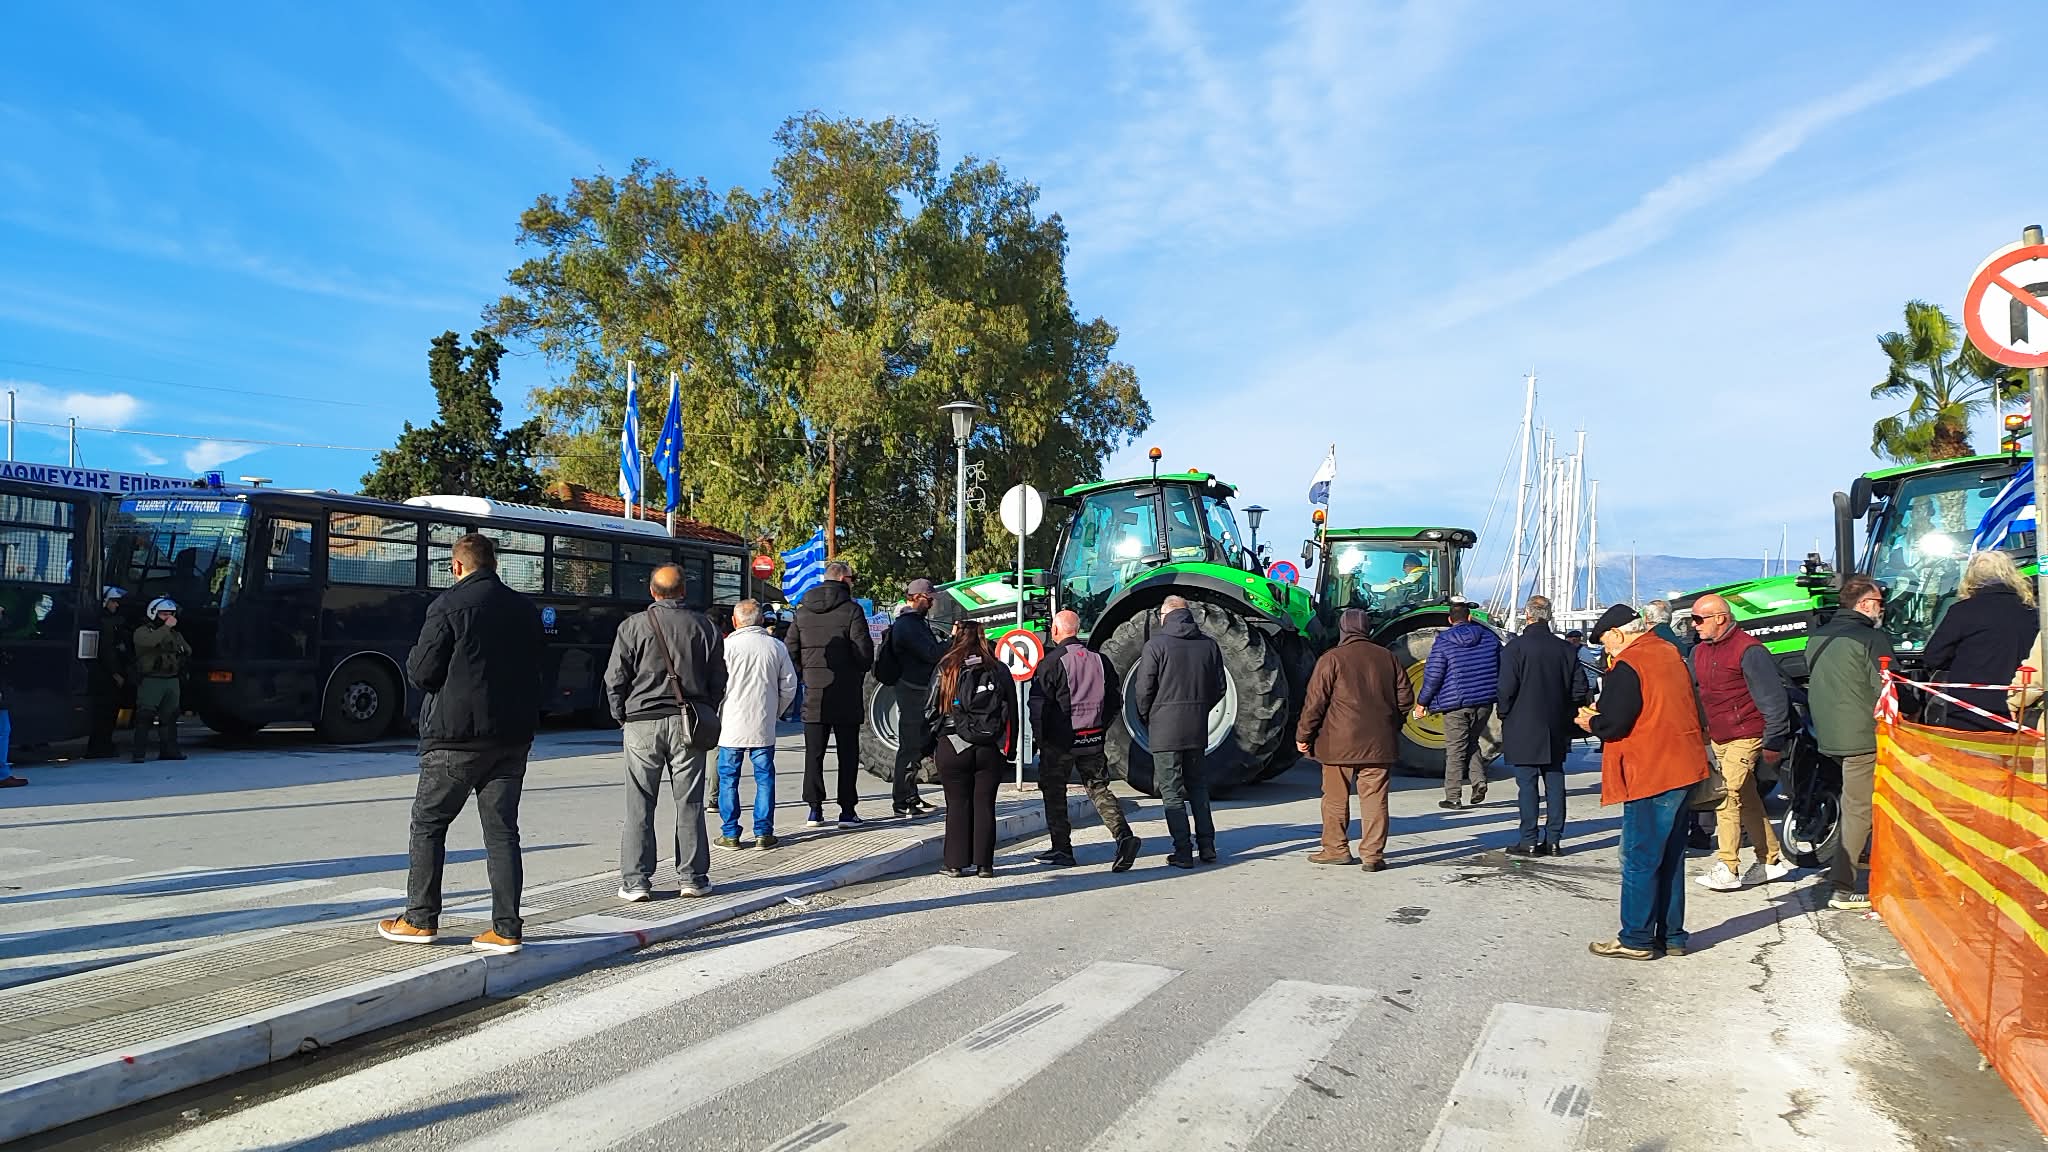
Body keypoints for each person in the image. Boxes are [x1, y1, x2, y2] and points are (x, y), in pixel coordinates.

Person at [379, 533, 545, 955]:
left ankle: (420, 918)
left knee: (429, 825)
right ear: (495, 564)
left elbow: (421, 671)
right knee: (503, 833)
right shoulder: (524, 610)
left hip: (455, 738)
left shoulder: (448, 606)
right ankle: (506, 928)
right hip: (510, 739)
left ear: (456, 567)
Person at [1579, 604, 1710, 960]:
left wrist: (1590, 722)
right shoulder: (1670, 653)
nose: (1606, 650)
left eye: (1606, 642)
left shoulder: (1629, 665)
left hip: (1650, 769)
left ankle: (1636, 937)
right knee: (1670, 855)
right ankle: (1672, 936)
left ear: (1619, 634)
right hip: (1683, 766)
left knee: (1639, 855)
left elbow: (1615, 723)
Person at [605, 563, 727, 900]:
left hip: (642, 721)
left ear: (653, 592)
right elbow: (719, 677)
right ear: (683, 591)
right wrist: (706, 708)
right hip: (689, 721)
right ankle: (693, 878)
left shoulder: (633, 626)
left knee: (639, 804)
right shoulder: (705, 626)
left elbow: (615, 678)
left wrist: (622, 716)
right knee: (689, 801)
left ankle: (636, 882)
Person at [1687, 592, 1792, 891]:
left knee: (1726, 795)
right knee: (1746, 798)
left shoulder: (1749, 650)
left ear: (1721, 618)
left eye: (1698, 619)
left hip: (1747, 734)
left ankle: (1728, 866)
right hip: (1719, 734)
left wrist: (1773, 741)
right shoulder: (1700, 652)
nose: (1694, 625)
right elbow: (1695, 692)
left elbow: (1773, 699)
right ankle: (1770, 859)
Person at [1299, 607, 1412, 870]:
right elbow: (1405, 699)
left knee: (1335, 798)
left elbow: (1315, 703)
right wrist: (1391, 725)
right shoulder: (1388, 658)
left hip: (1338, 743)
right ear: (1367, 629)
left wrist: (1303, 735)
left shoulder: (1332, 658)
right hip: (1379, 743)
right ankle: (1373, 856)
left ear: (1343, 629)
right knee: (1375, 799)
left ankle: (1336, 849)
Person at [1030, 610, 1141, 871]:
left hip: (1060, 743)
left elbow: (1038, 706)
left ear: (1056, 631)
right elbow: (1116, 700)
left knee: (1055, 794)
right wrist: (1100, 727)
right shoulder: (1101, 660)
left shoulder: (1051, 662)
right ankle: (1124, 837)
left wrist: (1041, 739)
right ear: (1077, 630)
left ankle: (1062, 849)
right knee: (1099, 789)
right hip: (1092, 738)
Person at [1806, 575, 1892, 912]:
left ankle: (1860, 859)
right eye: (1880, 604)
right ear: (1866, 604)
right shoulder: (1871, 638)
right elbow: (1885, 688)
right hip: (1862, 736)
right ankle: (1842, 887)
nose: (1882, 610)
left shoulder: (1816, 638)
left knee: (1853, 803)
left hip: (1828, 736)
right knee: (1859, 809)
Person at [1130, 596, 1226, 869]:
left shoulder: (1156, 646)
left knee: (1172, 793)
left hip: (1164, 730)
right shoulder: (1209, 645)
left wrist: (1150, 715)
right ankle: (1207, 847)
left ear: (1165, 615)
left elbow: (1143, 689)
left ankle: (1183, 852)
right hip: (1196, 729)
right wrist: (1200, 709)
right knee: (1198, 787)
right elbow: (1219, 688)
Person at [1496, 595, 1587, 856]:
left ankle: (1529, 839)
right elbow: (1580, 688)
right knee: (1555, 780)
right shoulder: (1566, 650)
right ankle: (1555, 839)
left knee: (1527, 784)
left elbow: (1505, 689)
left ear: (1528, 615)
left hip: (1522, 722)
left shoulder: (1515, 649)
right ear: (1549, 615)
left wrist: (1504, 713)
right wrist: (1567, 710)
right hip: (1556, 722)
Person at [785, 561, 875, 828]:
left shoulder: (802, 612)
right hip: (846, 692)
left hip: (815, 692)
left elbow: (790, 650)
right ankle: (847, 811)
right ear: (843, 579)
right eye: (853, 577)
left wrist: (807, 673)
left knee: (814, 753)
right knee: (847, 754)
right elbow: (864, 654)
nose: (854, 582)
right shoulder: (852, 610)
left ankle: (814, 809)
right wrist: (855, 669)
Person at [923, 621, 1013, 877]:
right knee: (985, 804)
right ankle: (984, 864)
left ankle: (955, 863)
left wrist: (931, 744)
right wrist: (1010, 747)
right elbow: (1013, 712)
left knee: (957, 804)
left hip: (953, 744)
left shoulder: (947, 667)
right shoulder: (998, 669)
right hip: (989, 745)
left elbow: (929, 709)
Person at [1922, 550, 2040, 730]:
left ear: (1971, 576)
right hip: (2022, 709)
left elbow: (1933, 657)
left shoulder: (1962, 611)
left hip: (1969, 712)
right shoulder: (2033, 613)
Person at [716, 599, 796, 851]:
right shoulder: (776, 647)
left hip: (730, 724)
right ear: (761, 620)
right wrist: (775, 711)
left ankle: (730, 834)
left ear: (735, 621)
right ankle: (763, 832)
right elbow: (789, 686)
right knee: (764, 778)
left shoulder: (725, 647)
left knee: (728, 778)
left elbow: (715, 685)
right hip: (762, 724)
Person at [1415, 601, 1499, 809]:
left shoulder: (1443, 641)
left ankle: (1453, 796)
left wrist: (1422, 702)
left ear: (1450, 620)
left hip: (1456, 704)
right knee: (1472, 741)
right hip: (1484, 701)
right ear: (1470, 617)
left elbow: (1434, 676)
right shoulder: (1489, 638)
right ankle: (1479, 782)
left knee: (1455, 748)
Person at [886, 578, 947, 818]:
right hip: (912, 690)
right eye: (929, 599)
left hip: (916, 689)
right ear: (918, 598)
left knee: (919, 743)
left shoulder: (915, 623)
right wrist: (952, 642)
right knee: (910, 746)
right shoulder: (908, 625)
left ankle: (911, 795)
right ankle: (902, 800)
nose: (932, 604)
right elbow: (930, 654)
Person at [130, 597, 191, 763]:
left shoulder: (174, 634)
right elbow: (150, 642)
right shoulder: (143, 631)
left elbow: (187, 650)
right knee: (145, 716)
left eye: (171, 614)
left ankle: (170, 751)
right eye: (164, 614)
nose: (168, 618)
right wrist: (166, 628)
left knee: (170, 717)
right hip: (151, 680)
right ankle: (139, 753)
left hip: (171, 680)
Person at [84, 586, 133, 758]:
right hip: (106, 676)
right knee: (106, 712)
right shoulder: (105, 623)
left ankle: (100, 745)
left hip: (105, 674)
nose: (116, 605)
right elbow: (107, 651)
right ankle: (101, 746)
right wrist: (116, 674)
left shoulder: (108, 621)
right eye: (113, 602)